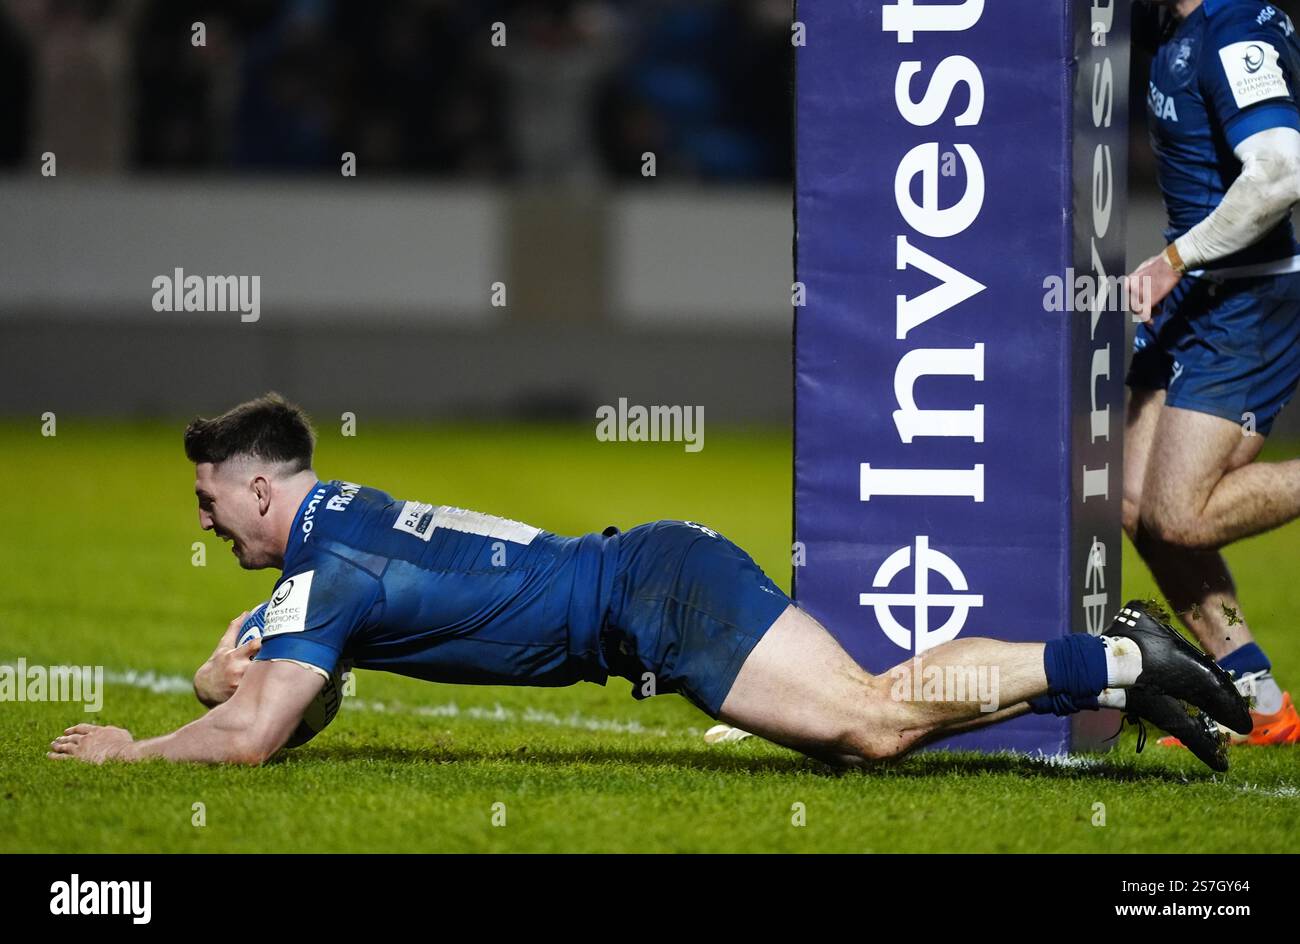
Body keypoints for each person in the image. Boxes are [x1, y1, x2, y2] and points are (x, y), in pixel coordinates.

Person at [49, 394, 1248, 770]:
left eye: (210, 503)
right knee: (867, 729)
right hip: (652, 582)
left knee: (870, 718)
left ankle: (1125, 656)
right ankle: (1113, 661)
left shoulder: (330, 563)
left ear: (262, 491)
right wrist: (235, 666)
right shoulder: (339, 528)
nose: (204, 526)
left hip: (655, 598)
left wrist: (136, 751)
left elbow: (265, 728)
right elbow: (295, 693)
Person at [1125, 0, 1300, 747]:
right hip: (1202, 296)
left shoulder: (1236, 29)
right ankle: (1258, 700)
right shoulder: (1176, 24)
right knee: (1133, 504)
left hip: (1248, 298)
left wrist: (1172, 261)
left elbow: (1280, 175)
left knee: (1182, 515)